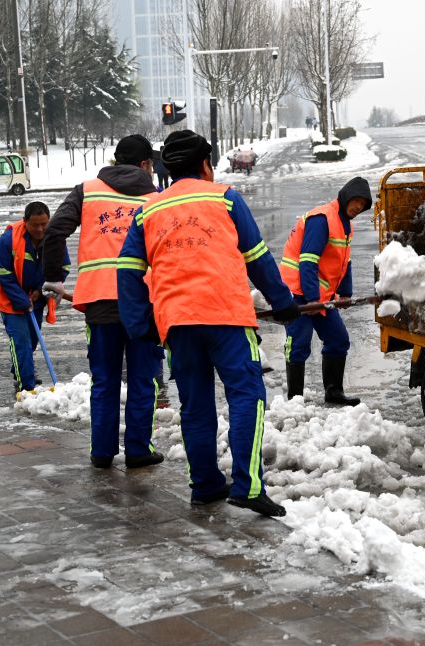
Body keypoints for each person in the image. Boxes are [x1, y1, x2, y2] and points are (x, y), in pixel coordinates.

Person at [117, 129, 300, 516]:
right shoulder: (226, 199)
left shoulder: (147, 211)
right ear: (205, 165)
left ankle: (204, 484)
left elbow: (127, 271)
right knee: (247, 395)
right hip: (227, 318)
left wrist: (141, 324)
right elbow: (258, 258)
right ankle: (248, 486)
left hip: (177, 325)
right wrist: (283, 304)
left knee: (196, 405)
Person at [41, 134, 165, 470]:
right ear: (143, 165)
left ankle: (101, 451)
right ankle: (138, 450)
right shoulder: (156, 199)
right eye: (151, 164)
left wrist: (54, 275)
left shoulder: (87, 190)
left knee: (105, 378)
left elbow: (54, 231)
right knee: (143, 378)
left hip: (99, 303)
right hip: (143, 304)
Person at [279, 177, 371, 406]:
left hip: (319, 294)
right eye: (356, 200)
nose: (358, 207)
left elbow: (344, 261)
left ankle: (333, 392)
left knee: (338, 339)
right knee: (299, 343)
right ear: (345, 196)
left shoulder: (345, 224)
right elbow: (308, 261)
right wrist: (311, 300)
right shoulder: (322, 219)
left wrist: (346, 292)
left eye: (363, 204)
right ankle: (295, 399)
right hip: (298, 292)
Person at [0, 201, 69, 395]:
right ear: (25, 222)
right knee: (21, 340)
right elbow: (3, 273)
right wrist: (22, 299)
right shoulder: (9, 240)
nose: (40, 229)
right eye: (35, 225)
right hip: (9, 297)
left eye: (44, 224)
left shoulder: (54, 238)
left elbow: (62, 268)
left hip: (37, 296)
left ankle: (21, 370)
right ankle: (26, 385)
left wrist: (40, 291)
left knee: (32, 339)